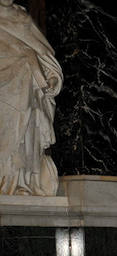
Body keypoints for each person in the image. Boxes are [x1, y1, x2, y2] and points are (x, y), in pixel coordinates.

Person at [0, 0, 63, 196]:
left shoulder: (22, 18)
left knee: (26, 132)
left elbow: (43, 54)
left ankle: (22, 183)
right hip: (4, 89)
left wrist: (53, 78)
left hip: (28, 87)